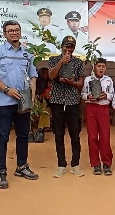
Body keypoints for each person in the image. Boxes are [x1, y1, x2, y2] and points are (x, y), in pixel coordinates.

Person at [0, 20, 39, 189]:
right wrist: (7, 89)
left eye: (16, 30)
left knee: (24, 135)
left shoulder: (27, 53)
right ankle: (1, 172)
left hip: (23, 102)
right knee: (2, 137)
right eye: (10, 31)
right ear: (4, 34)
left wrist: (32, 94)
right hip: (3, 102)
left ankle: (22, 167)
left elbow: (33, 76)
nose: (14, 33)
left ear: (20, 32)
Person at [47, 35, 86, 177]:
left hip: (72, 102)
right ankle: (61, 165)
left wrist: (71, 83)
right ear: (61, 47)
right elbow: (51, 76)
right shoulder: (53, 60)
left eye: (71, 47)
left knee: (75, 135)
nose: (68, 49)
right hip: (57, 101)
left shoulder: (78, 63)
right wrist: (61, 62)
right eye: (66, 46)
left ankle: (75, 164)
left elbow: (81, 83)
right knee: (59, 134)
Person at [81, 58, 115, 176]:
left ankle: (106, 163)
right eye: (99, 66)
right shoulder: (88, 80)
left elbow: (112, 95)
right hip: (91, 108)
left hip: (103, 109)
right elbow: (83, 94)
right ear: (94, 67)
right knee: (92, 136)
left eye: (103, 66)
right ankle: (95, 164)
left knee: (105, 136)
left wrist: (106, 95)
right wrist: (88, 97)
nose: (101, 68)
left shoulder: (108, 80)